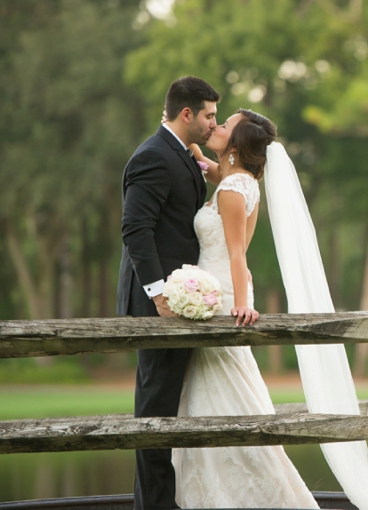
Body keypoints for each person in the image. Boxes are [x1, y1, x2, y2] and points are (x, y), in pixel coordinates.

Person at [171, 109, 318, 507]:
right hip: (217, 289)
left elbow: (237, 253)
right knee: (219, 394)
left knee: (226, 395)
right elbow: (208, 167)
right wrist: (183, 137)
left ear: (235, 145)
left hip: (219, 298)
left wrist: (240, 306)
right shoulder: (239, 180)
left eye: (224, 125)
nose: (215, 126)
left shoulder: (235, 189)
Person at [116, 76, 219, 510]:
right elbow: (135, 229)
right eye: (210, 115)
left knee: (164, 409)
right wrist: (159, 294)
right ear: (187, 114)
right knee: (154, 411)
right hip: (157, 303)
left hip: (179, 299)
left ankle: (155, 503)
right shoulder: (153, 157)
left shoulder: (178, 152)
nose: (214, 123)